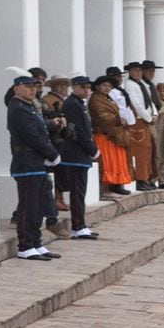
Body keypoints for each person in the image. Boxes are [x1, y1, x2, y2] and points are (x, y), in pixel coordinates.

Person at [6, 72, 62, 262]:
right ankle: (25, 245)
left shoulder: (28, 106)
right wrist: (52, 154)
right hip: (27, 162)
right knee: (28, 205)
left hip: (37, 162)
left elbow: (40, 127)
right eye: (28, 86)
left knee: (37, 206)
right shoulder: (18, 107)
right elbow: (33, 136)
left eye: (34, 87)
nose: (32, 90)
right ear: (16, 88)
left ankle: (36, 242)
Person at [56, 76, 101, 241]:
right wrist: (92, 149)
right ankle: (77, 226)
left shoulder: (79, 103)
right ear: (74, 87)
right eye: (83, 87)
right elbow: (77, 131)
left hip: (81, 154)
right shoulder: (71, 104)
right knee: (77, 192)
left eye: (88, 87)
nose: (87, 90)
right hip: (75, 154)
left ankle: (80, 225)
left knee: (80, 192)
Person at [89, 74, 134, 197]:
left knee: (117, 160)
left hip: (114, 134)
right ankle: (106, 188)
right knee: (107, 162)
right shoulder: (95, 99)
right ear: (97, 87)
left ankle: (116, 185)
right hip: (104, 135)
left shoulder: (108, 98)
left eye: (109, 86)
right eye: (104, 85)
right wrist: (118, 120)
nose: (107, 88)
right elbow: (101, 116)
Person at [121, 61, 158, 189]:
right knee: (139, 151)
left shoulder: (142, 84)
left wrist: (154, 114)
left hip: (146, 120)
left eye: (140, 70)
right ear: (130, 72)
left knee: (147, 150)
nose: (138, 73)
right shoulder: (129, 84)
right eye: (135, 70)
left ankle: (146, 177)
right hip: (138, 120)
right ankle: (139, 179)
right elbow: (136, 103)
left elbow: (150, 101)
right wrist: (148, 117)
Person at [44, 76, 73, 211]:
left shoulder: (62, 100)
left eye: (65, 85)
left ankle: (60, 198)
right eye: (60, 85)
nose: (64, 88)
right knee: (58, 171)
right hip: (55, 139)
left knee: (63, 172)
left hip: (63, 139)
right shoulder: (48, 101)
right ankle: (57, 199)